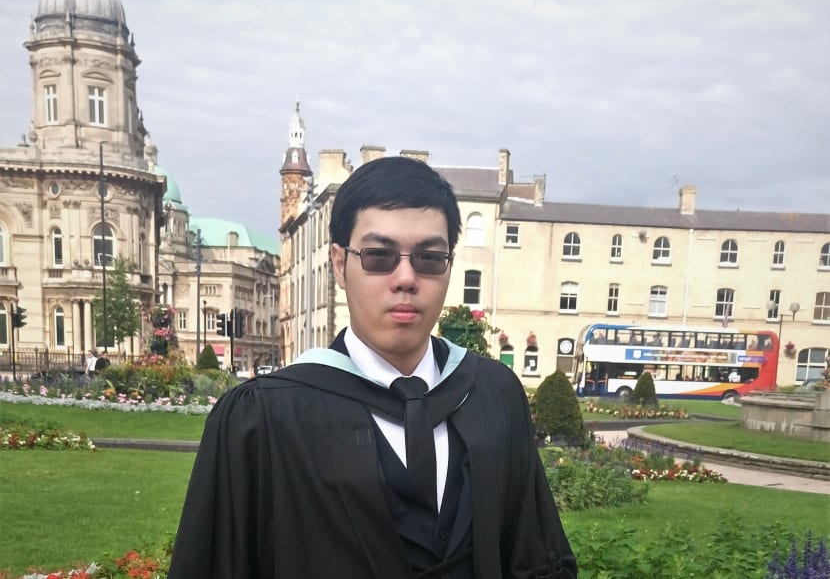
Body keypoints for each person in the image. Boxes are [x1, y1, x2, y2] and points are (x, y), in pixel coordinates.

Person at [168, 157, 577, 578]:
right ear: (340, 264)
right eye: (379, 256)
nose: (405, 278)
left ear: (449, 267)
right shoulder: (263, 419)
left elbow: (535, 556)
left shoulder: (493, 395)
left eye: (430, 257)